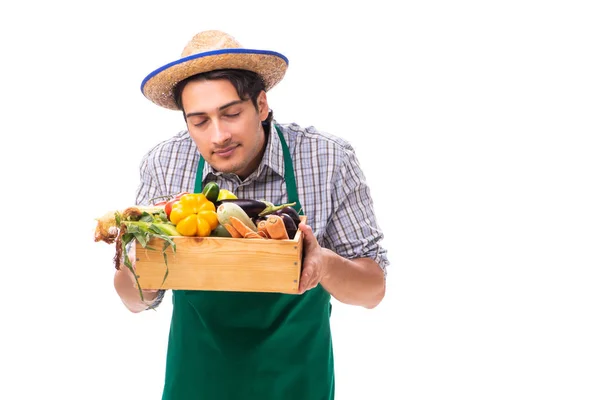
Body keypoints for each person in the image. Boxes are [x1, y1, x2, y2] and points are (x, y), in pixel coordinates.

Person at [114, 29, 389, 400]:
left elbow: (373, 291)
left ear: (261, 105)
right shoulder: (166, 164)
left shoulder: (328, 159)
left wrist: (321, 263)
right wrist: (138, 265)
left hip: (298, 384)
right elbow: (135, 302)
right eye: (199, 121)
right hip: (196, 384)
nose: (218, 135)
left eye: (231, 114)